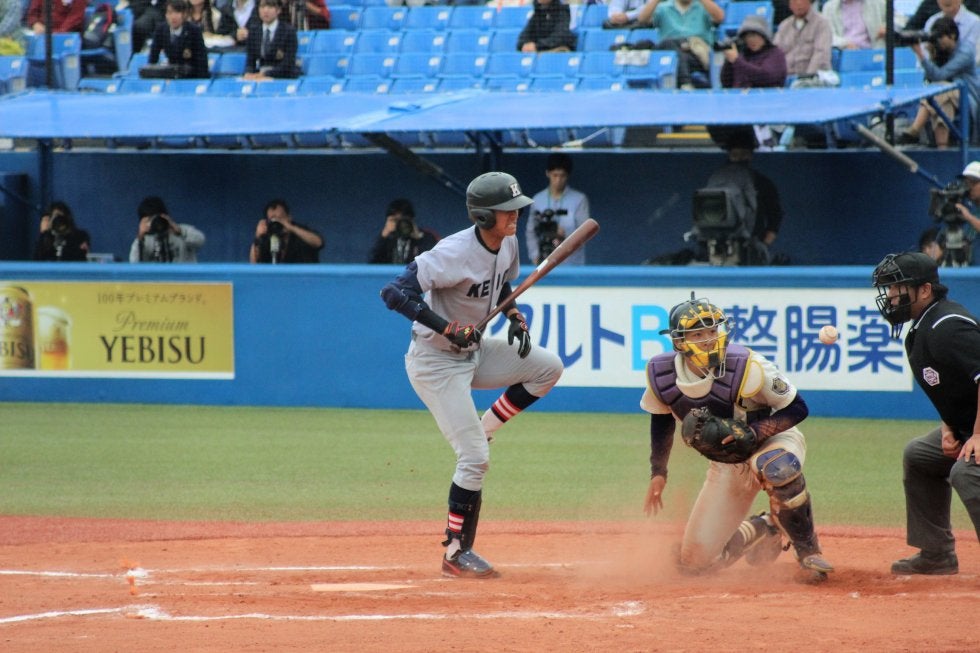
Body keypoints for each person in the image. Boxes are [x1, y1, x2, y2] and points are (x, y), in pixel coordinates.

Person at [379, 171, 564, 578]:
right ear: (482, 216)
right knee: (475, 458)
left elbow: (501, 285)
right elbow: (394, 292)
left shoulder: (507, 241)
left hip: (473, 352)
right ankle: (455, 552)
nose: (516, 216)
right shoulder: (452, 252)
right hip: (435, 362)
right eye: (507, 210)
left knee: (548, 368)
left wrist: (513, 314)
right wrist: (446, 327)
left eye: (516, 208)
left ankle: (486, 426)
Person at [641, 293, 834, 581]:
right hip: (727, 465)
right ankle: (764, 527)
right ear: (679, 342)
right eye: (698, 334)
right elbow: (661, 419)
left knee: (775, 466)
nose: (709, 339)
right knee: (694, 564)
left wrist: (753, 432)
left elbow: (797, 408)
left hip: (773, 441)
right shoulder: (662, 375)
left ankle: (808, 551)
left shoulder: (748, 366)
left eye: (712, 330)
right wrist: (658, 472)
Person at [871, 252, 980, 575]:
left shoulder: (948, 326)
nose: (891, 296)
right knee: (920, 455)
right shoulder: (924, 327)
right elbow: (956, 387)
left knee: (967, 472)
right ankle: (937, 554)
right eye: (889, 288)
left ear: (925, 290)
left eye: (898, 287)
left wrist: (977, 435)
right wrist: (949, 426)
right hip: (967, 426)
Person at [900, 17, 980, 148]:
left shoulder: (965, 52)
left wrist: (921, 54)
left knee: (941, 89)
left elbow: (940, 75)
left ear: (952, 36)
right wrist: (932, 54)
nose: (938, 42)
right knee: (943, 100)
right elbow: (928, 79)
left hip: (968, 96)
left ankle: (915, 129)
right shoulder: (942, 51)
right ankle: (942, 149)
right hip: (948, 96)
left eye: (941, 38)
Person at [634, 0, 726, 88]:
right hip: (670, 54)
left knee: (674, 50)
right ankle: (685, 83)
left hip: (696, 53)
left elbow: (720, 17)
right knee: (669, 46)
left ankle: (685, 83)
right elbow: (642, 19)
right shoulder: (663, 8)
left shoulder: (703, 7)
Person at [525, 153, 591, 266]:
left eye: (562, 176)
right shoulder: (537, 199)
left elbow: (585, 232)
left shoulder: (579, 199)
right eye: (555, 175)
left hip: (571, 263)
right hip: (544, 261)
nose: (558, 180)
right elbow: (531, 231)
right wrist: (535, 256)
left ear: (568, 175)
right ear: (547, 173)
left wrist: (564, 234)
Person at [129, 196, 206, 263]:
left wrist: (179, 231)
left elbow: (200, 241)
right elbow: (134, 262)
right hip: (157, 276)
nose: (155, 222)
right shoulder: (144, 239)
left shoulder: (181, 230)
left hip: (184, 275)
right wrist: (140, 238)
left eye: (156, 217)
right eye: (149, 220)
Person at [719, 14, 788, 89]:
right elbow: (726, 83)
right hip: (740, 95)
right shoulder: (743, 54)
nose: (751, 40)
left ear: (764, 36)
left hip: (766, 95)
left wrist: (737, 61)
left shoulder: (775, 54)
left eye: (755, 35)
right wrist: (728, 61)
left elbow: (766, 77)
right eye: (748, 36)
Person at [148, 0, 210, 79]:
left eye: (177, 12)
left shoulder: (194, 31)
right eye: (170, 13)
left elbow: (202, 62)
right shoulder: (161, 30)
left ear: (184, 14)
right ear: (166, 15)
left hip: (191, 75)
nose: (173, 17)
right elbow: (153, 59)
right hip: (171, 74)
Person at [250, 198, 324, 263]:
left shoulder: (301, 233)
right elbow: (254, 263)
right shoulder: (267, 237)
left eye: (280, 218)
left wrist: (290, 227)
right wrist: (257, 236)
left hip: (303, 274)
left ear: (289, 217)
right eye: (273, 220)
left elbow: (319, 243)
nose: (277, 223)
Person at [368, 198, 439, 265]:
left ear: (412, 220)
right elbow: (372, 262)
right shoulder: (387, 239)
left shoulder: (426, 237)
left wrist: (418, 239)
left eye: (403, 220)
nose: (400, 224)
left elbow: (432, 263)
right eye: (395, 220)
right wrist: (383, 237)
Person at [773, 0, 833, 78]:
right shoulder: (784, 25)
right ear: (790, 4)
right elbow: (775, 53)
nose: (798, 3)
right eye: (794, 1)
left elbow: (821, 54)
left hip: (812, 78)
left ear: (810, 2)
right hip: (785, 77)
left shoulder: (822, 24)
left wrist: (807, 77)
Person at [244, 0, 298, 79]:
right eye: (262, 7)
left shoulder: (289, 32)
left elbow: (288, 63)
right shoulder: (253, 31)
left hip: (282, 75)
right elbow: (250, 60)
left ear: (278, 10)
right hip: (259, 75)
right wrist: (249, 72)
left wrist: (266, 74)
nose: (266, 10)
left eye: (270, 7)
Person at [821, 0, 887, 50]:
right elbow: (828, 36)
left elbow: (892, 20)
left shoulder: (878, 3)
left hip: (874, 52)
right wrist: (844, 43)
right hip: (844, 53)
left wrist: (887, 27)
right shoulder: (829, 7)